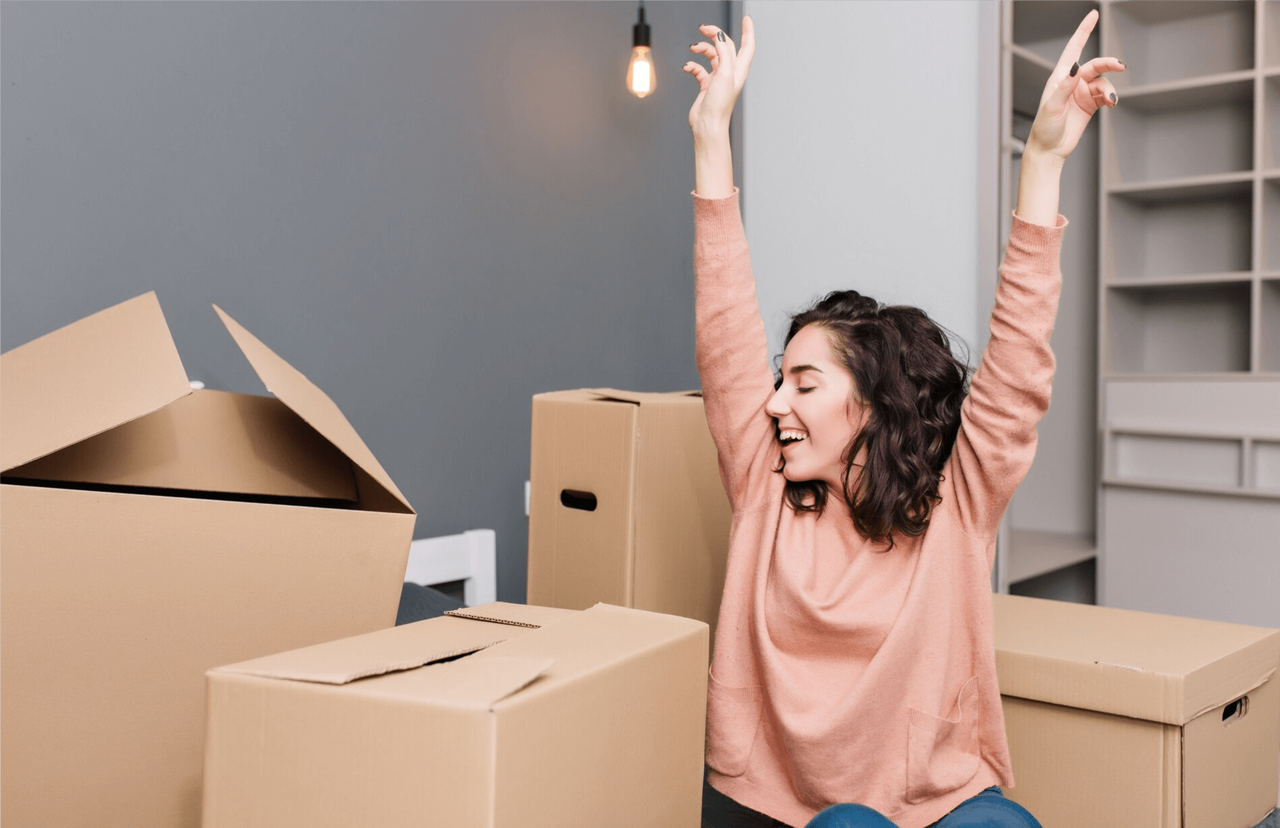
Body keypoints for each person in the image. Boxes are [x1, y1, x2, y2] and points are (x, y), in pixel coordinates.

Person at [681, 12, 1123, 828]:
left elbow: (1018, 363)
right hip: (790, 809)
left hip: (933, 798)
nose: (774, 403)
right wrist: (712, 137)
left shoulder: (957, 502)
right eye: (779, 382)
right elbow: (725, 330)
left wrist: (1045, 160)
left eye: (804, 384)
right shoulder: (762, 484)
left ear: (873, 403)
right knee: (850, 825)